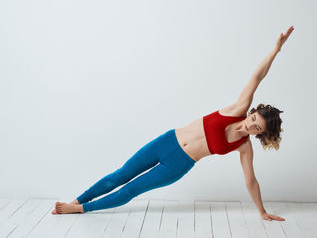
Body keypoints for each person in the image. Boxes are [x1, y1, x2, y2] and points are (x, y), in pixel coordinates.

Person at [52, 26, 294, 222]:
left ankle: (81, 209)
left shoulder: (244, 147)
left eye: (257, 128)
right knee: (120, 175)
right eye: (253, 119)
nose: (250, 126)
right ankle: (76, 201)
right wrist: (276, 50)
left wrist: (262, 211)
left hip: (178, 165)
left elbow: (250, 180)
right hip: (167, 141)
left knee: (130, 191)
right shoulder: (237, 109)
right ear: (251, 113)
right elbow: (256, 77)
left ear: (260, 134)